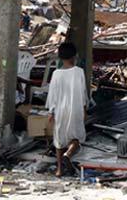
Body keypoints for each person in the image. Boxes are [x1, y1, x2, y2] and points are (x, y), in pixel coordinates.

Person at [46, 42, 88, 177]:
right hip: (75, 108)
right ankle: (68, 154)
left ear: (59, 57)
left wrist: (51, 111)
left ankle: (59, 169)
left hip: (60, 109)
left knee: (59, 139)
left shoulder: (56, 74)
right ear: (74, 56)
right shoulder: (79, 72)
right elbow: (83, 93)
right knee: (77, 137)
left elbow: (52, 94)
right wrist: (84, 108)